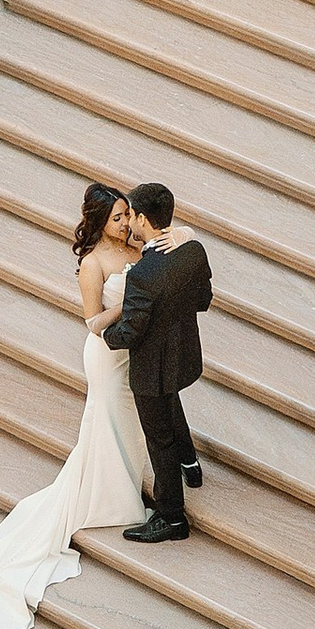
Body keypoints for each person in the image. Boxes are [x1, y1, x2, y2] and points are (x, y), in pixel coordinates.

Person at [0, 181, 149, 629]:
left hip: (134, 352)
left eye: (127, 215)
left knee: (129, 423)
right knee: (107, 422)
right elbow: (91, 321)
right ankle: (111, 497)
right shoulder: (93, 264)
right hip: (107, 356)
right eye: (117, 218)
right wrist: (130, 303)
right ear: (99, 223)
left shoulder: (135, 248)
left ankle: (125, 480)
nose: (126, 223)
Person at [104, 179, 212, 543]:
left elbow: (130, 333)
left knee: (158, 438)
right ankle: (190, 465)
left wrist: (104, 333)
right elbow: (203, 300)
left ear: (144, 219)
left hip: (152, 366)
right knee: (171, 404)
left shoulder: (144, 275)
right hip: (181, 354)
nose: (128, 222)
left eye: (131, 215)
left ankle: (171, 518)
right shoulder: (193, 251)